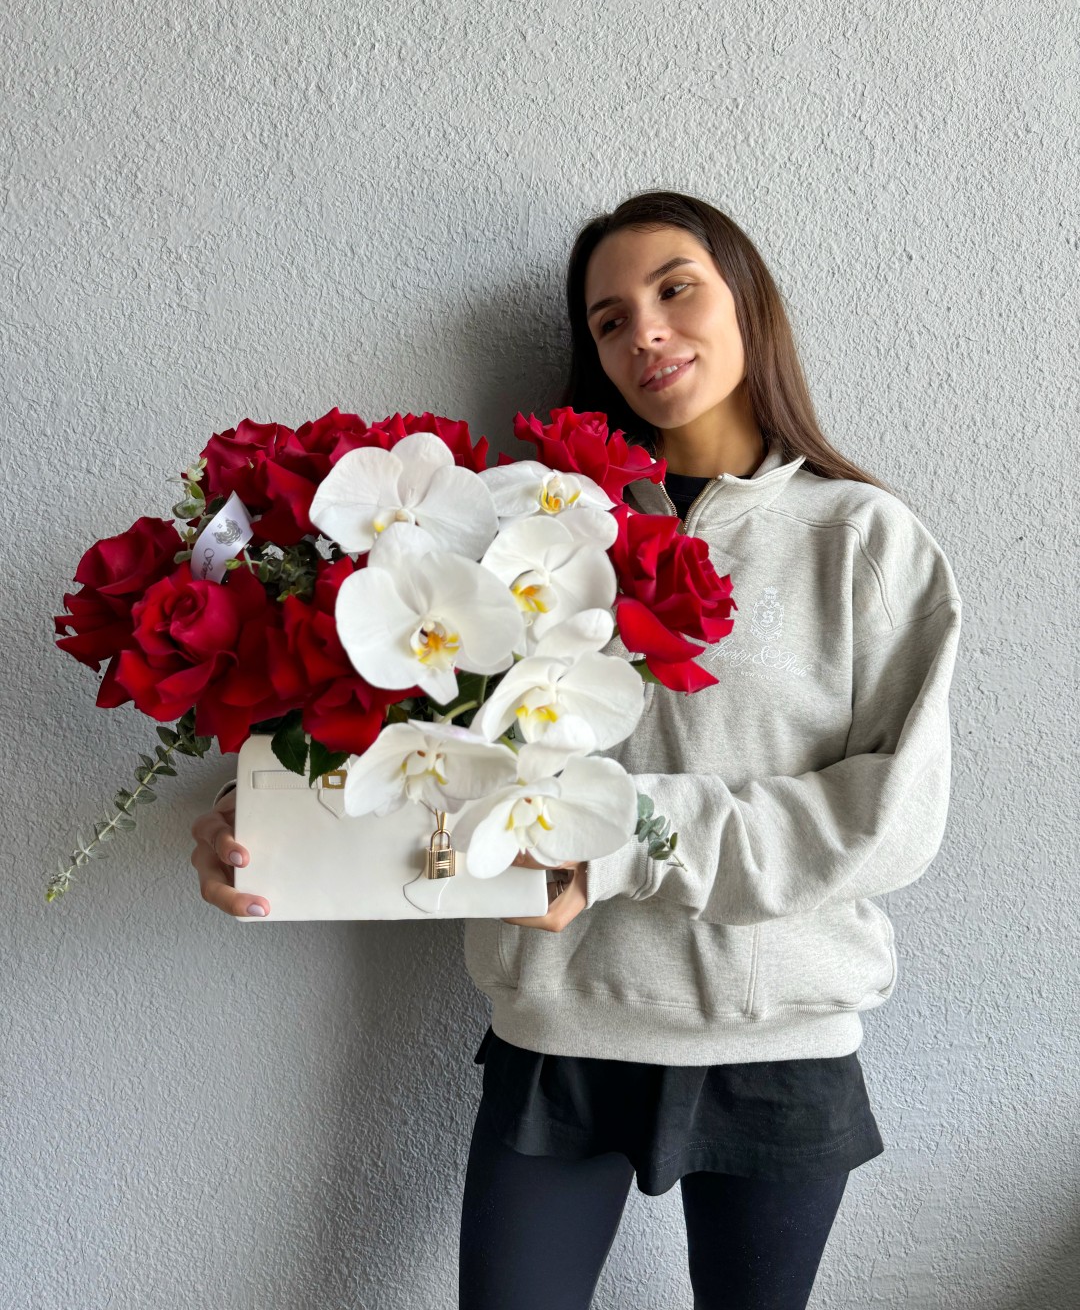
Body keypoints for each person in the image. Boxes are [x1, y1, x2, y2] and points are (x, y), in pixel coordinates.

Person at [190, 190, 963, 1310]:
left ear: (748, 302)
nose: (643, 329)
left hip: (778, 1038)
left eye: (674, 288)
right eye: (608, 318)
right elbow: (415, 728)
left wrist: (623, 844)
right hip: (558, 1026)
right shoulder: (522, 526)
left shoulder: (866, 541)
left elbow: (891, 819)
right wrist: (265, 814)